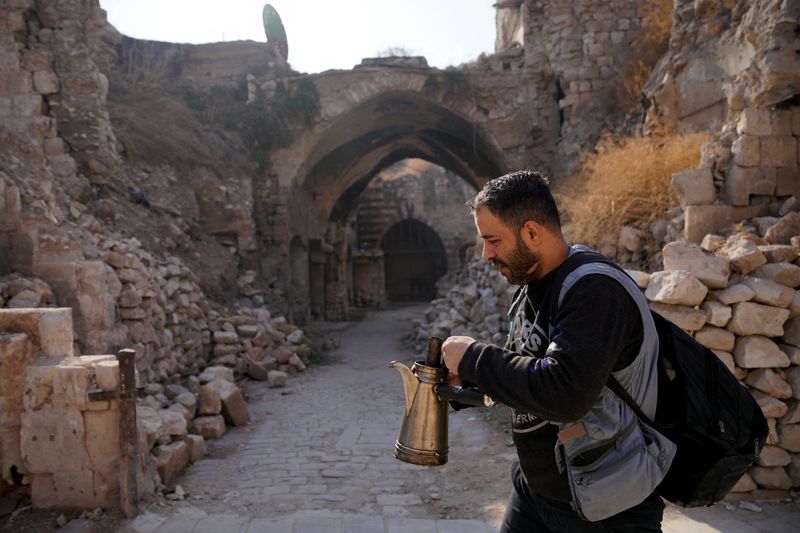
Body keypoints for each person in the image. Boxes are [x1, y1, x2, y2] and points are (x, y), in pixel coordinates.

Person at [442, 170, 667, 532]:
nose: (486, 254)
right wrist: (469, 382)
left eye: (492, 240)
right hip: (536, 495)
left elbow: (565, 393)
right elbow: (531, 376)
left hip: (608, 508)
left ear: (531, 232)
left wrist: (475, 358)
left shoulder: (595, 290)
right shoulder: (531, 284)